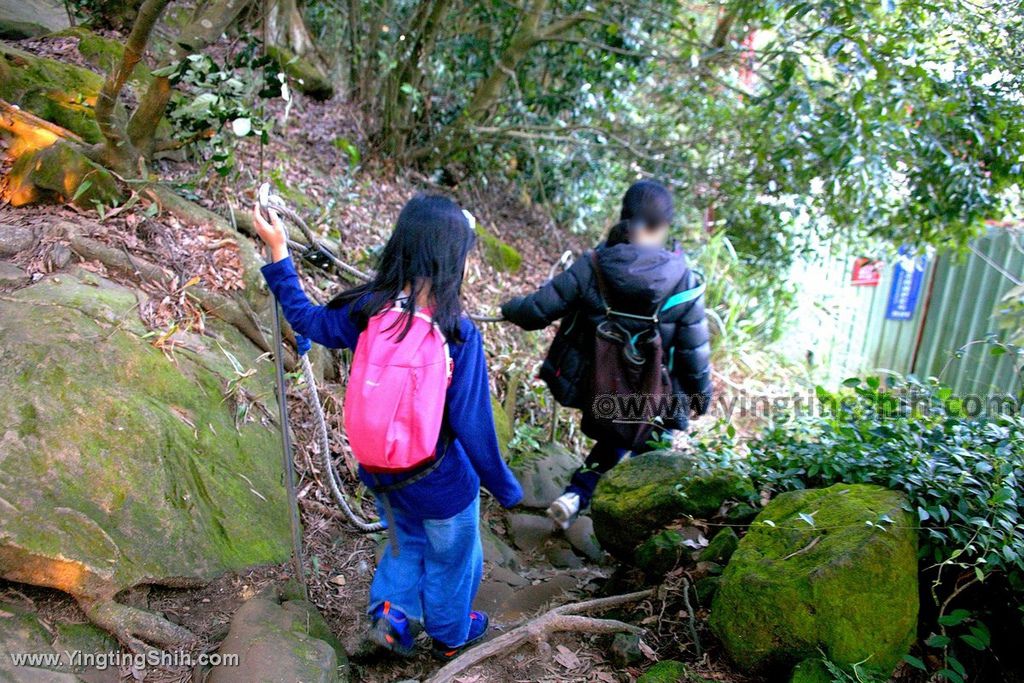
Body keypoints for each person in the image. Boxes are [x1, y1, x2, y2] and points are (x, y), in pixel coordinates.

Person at [252, 194, 523, 660]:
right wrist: (507, 488)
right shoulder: (458, 332)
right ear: (455, 258)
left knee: (403, 543)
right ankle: (451, 634)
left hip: (381, 471)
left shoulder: (369, 308)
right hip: (442, 481)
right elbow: (473, 424)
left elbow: (307, 317)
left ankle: (392, 619)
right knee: (454, 559)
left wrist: (278, 250)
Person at [501, 179, 712, 529]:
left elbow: (539, 309)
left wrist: (509, 308)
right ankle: (636, 533)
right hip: (661, 397)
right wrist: (700, 398)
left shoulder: (595, 265)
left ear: (625, 218)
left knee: (614, 439)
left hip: (605, 384)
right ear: (663, 226)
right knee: (652, 454)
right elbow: (694, 355)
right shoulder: (685, 282)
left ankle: (576, 496)